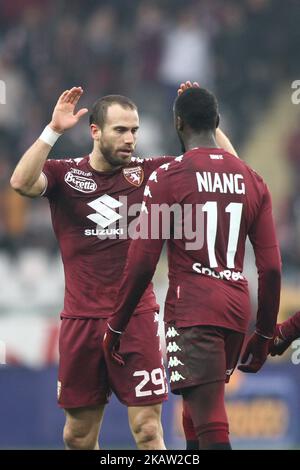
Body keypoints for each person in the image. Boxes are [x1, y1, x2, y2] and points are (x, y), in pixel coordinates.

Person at [10, 84, 236, 450]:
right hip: (81, 320)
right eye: (120, 130)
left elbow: (229, 166)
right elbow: (20, 182)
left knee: (148, 430)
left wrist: (204, 120)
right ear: (95, 131)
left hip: (136, 318)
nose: (130, 139)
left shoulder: (151, 173)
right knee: (78, 436)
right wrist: (52, 130)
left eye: (134, 130)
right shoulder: (65, 175)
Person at [103, 86, 282, 450]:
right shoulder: (252, 180)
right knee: (194, 417)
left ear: (178, 123)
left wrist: (116, 324)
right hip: (235, 311)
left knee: (212, 421)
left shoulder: (168, 177)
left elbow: (142, 263)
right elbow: (272, 269)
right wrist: (263, 335)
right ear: (217, 123)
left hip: (193, 312)